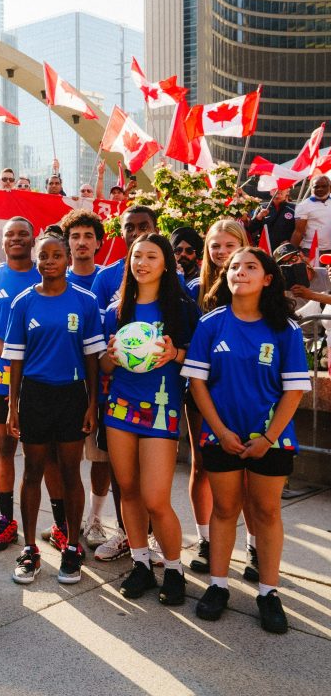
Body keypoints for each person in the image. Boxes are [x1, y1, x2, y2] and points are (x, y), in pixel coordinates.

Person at [183, 247, 309, 633]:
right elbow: (197, 383)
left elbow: (294, 391)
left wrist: (269, 437)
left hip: (271, 441)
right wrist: (219, 431)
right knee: (224, 509)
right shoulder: (211, 324)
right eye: (234, 266)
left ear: (267, 278)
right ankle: (218, 585)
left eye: (250, 266)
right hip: (221, 438)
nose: (240, 271)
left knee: (267, 512)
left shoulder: (286, 330)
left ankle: (269, 592)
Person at [101, 234, 199, 604]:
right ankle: (140, 564)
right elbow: (104, 363)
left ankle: (173, 569)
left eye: (151, 257)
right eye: (136, 256)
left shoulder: (180, 306)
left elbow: (197, 358)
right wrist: (110, 356)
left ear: (165, 264)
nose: (142, 262)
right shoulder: (116, 309)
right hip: (121, 408)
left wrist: (175, 353)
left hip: (161, 409)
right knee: (128, 490)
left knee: (156, 498)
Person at [3, 234, 105, 584]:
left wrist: (92, 403)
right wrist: (13, 404)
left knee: (70, 472)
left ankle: (73, 548)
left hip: (72, 397)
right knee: (32, 471)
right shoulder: (23, 302)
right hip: (34, 395)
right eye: (43, 255)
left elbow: (92, 358)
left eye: (56, 255)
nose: (49, 261)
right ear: (36, 259)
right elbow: (16, 359)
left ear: (66, 260)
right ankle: (29, 549)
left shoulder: (86, 302)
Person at [0, 218, 72, 552]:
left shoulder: (49, 271)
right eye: (9, 235)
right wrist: (20, 359)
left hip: (45, 382)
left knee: (49, 456)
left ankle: (62, 526)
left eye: (23, 234)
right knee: (4, 447)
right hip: (2, 379)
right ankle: (6, 520)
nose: (16, 239)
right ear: (2, 242)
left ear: (34, 240)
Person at [89, 205, 161, 562]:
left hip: (160, 399)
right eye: (128, 228)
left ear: (156, 228)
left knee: (154, 477)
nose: (135, 232)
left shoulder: (171, 282)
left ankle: (155, 537)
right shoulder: (107, 279)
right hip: (115, 394)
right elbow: (105, 340)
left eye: (142, 226)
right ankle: (126, 535)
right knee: (123, 475)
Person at [185, 219, 256, 577]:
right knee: (203, 466)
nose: (222, 252)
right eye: (216, 245)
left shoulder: (256, 284)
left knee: (248, 473)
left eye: (230, 245)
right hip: (203, 393)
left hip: (250, 394)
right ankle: (206, 540)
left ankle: (255, 547)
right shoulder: (194, 289)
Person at [59, 209, 110, 548]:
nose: (81, 242)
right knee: (66, 457)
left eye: (88, 236)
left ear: (99, 242)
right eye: (75, 236)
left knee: (101, 459)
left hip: (105, 385)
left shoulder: (112, 280)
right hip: (65, 384)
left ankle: (94, 520)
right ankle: (68, 522)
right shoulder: (53, 279)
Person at [290, 174, 331, 260]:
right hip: (310, 251)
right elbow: (298, 232)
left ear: (330, 187)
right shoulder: (303, 206)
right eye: (316, 186)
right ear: (311, 188)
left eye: (324, 186)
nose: (320, 189)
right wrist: (291, 253)